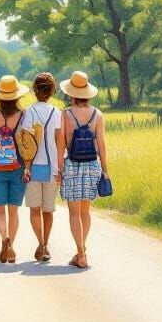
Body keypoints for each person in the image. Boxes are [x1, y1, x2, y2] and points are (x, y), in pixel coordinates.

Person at [58, 71, 108, 269]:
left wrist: (59, 168)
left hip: (72, 164)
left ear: (71, 94)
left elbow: (61, 143)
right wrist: (105, 170)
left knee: (74, 212)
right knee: (86, 212)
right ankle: (82, 250)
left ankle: (80, 253)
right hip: (92, 165)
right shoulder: (98, 114)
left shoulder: (66, 114)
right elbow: (102, 145)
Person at [0, 76, 29, 264]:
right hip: (18, 168)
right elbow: (28, 142)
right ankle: (11, 247)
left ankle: (4, 239)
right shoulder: (23, 116)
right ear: (17, 97)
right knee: (14, 211)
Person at [20, 72, 63, 262]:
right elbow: (60, 143)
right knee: (48, 210)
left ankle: (41, 244)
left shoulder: (29, 112)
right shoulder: (58, 113)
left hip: (34, 167)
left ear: (35, 90)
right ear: (52, 91)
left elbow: (26, 142)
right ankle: (45, 243)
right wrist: (60, 167)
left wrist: (26, 167)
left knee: (34, 210)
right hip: (53, 168)